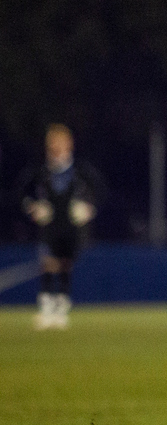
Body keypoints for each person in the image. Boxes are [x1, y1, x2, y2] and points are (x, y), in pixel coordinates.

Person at [18, 124, 104, 329]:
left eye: (61, 142)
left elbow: (100, 191)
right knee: (48, 263)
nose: (56, 146)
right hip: (49, 227)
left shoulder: (80, 170)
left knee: (65, 264)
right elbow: (21, 193)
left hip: (71, 228)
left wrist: (88, 208)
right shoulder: (40, 171)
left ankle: (61, 310)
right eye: (53, 142)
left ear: (69, 144)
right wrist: (33, 208)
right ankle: (46, 309)